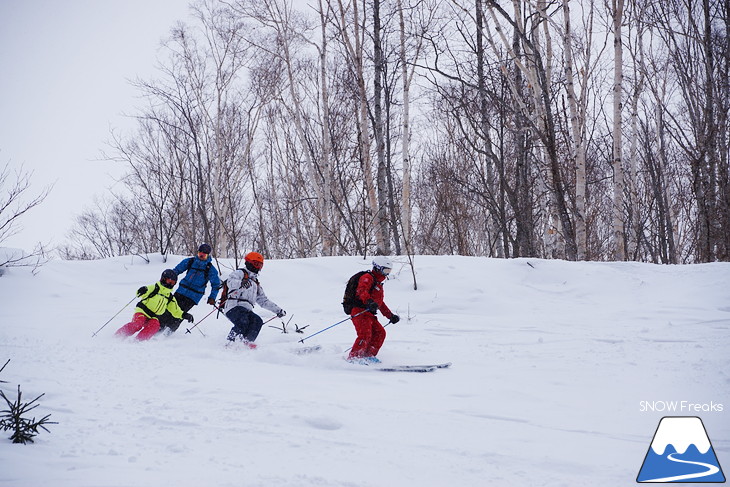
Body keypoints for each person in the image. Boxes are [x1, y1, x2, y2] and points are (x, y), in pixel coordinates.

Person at [222, 251, 285, 348]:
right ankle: (230, 343)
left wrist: (278, 310)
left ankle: (246, 343)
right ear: (249, 263)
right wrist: (241, 283)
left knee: (257, 321)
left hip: (246, 310)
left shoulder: (255, 283)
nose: (257, 268)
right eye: (256, 264)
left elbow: (263, 301)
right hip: (233, 306)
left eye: (260, 266)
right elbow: (230, 282)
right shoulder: (240, 273)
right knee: (243, 321)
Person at [158, 243, 221, 334]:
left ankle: (168, 333)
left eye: (204, 255)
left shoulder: (210, 269)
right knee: (168, 310)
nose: (201, 256)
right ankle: (158, 329)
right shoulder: (190, 261)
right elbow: (176, 271)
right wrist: (168, 278)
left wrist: (212, 297)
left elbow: (215, 285)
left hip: (193, 296)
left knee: (179, 315)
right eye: (200, 254)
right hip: (181, 291)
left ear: (208, 255)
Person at [347, 257, 400, 364]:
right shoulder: (367, 277)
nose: (387, 274)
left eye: (389, 271)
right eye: (385, 270)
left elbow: (380, 302)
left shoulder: (378, 284)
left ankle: (368, 355)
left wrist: (390, 315)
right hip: (359, 311)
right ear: (377, 268)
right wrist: (368, 302)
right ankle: (354, 358)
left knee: (380, 333)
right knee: (365, 334)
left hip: (369, 313)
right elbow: (361, 291)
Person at [115, 269, 194, 341]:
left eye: (173, 283)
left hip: (153, 316)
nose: (170, 284)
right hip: (142, 312)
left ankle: (139, 341)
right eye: (169, 281)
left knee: (155, 326)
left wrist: (184, 315)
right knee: (138, 324)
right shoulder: (155, 288)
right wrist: (142, 290)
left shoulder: (169, 297)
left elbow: (175, 310)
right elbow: (143, 292)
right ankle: (119, 335)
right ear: (163, 279)